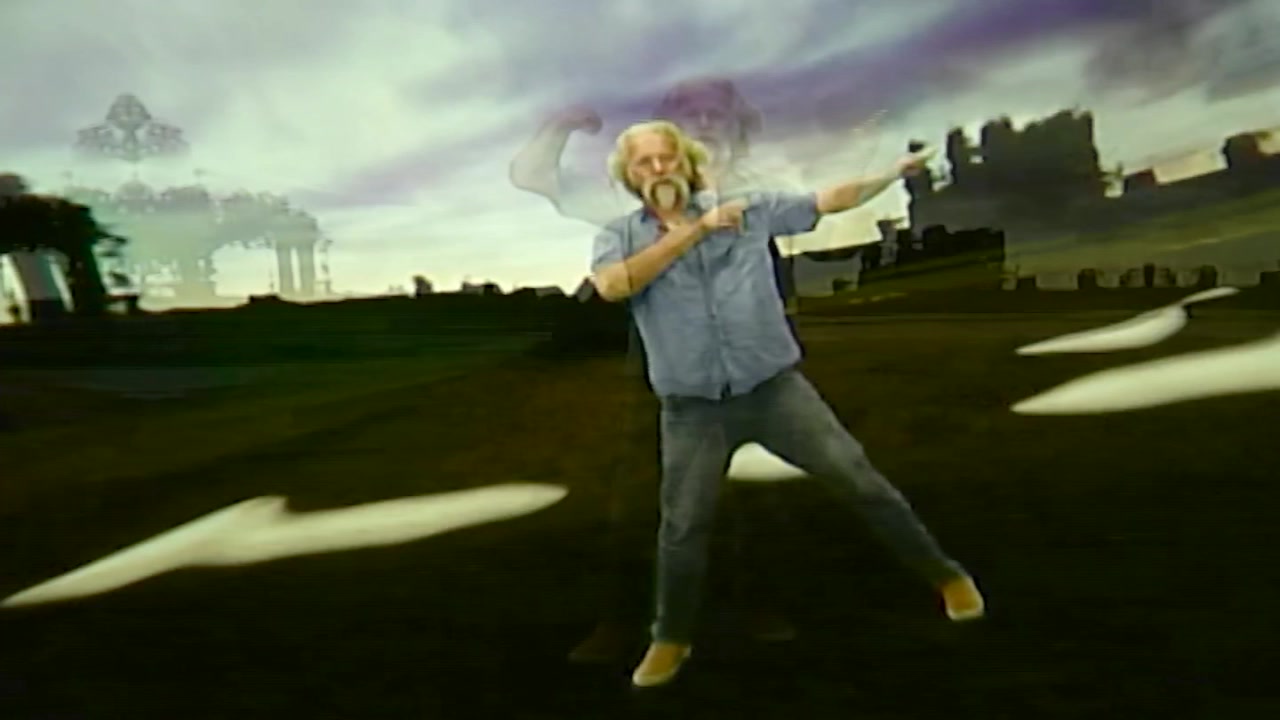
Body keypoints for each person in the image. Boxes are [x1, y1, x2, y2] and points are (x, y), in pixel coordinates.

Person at [588, 120, 986, 688]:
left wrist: (892, 175)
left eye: (666, 158)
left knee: (860, 479)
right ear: (630, 176)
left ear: (686, 162)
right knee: (683, 526)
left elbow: (827, 200)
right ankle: (670, 637)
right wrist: (696, 231)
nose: (658, 170)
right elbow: (613, 286)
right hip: (692, 410)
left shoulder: (748, 210)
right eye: (643, 163)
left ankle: (947, 577)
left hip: (775, 391)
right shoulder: (620, 236)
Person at [510, 78, 807, 662]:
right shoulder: (632, 207)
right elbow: (533, 176)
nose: (705, 124)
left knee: (747, 491)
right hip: (666, 376)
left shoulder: (756, 203)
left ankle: (753, 604)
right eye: (688, 114)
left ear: (740, 131)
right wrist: (558, 126)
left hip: (750, 370)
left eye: (717, 114)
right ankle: (626, 619)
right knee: (647, 491)